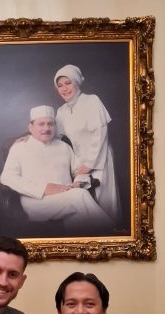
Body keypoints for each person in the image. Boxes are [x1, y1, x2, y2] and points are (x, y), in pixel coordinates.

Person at [0, 105, 112, 234]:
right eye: (41, 124)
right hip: (36, 202)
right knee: (79, 196)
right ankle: (112, 234)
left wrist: (78, 182)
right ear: (30, 127)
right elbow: (7, 177)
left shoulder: (64, 147)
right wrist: (44, 189)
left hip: (67, 195)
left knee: (78, 216)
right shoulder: (19, 147)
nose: (46, 128)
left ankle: (78, 243)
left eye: (50, 124)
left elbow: (78, 170)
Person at [54, 64, 122, 227]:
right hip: (78, 162)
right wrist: (26, 138)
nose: (64, 89)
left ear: (76, 82)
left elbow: (100, 135)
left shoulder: (92, 101)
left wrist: (90, 164)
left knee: (104, 202)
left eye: (68, 83)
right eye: (60, 85)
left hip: (99, 157)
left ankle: (112, 236)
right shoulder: (61, 111)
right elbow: (53, 136)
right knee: (84, 206)